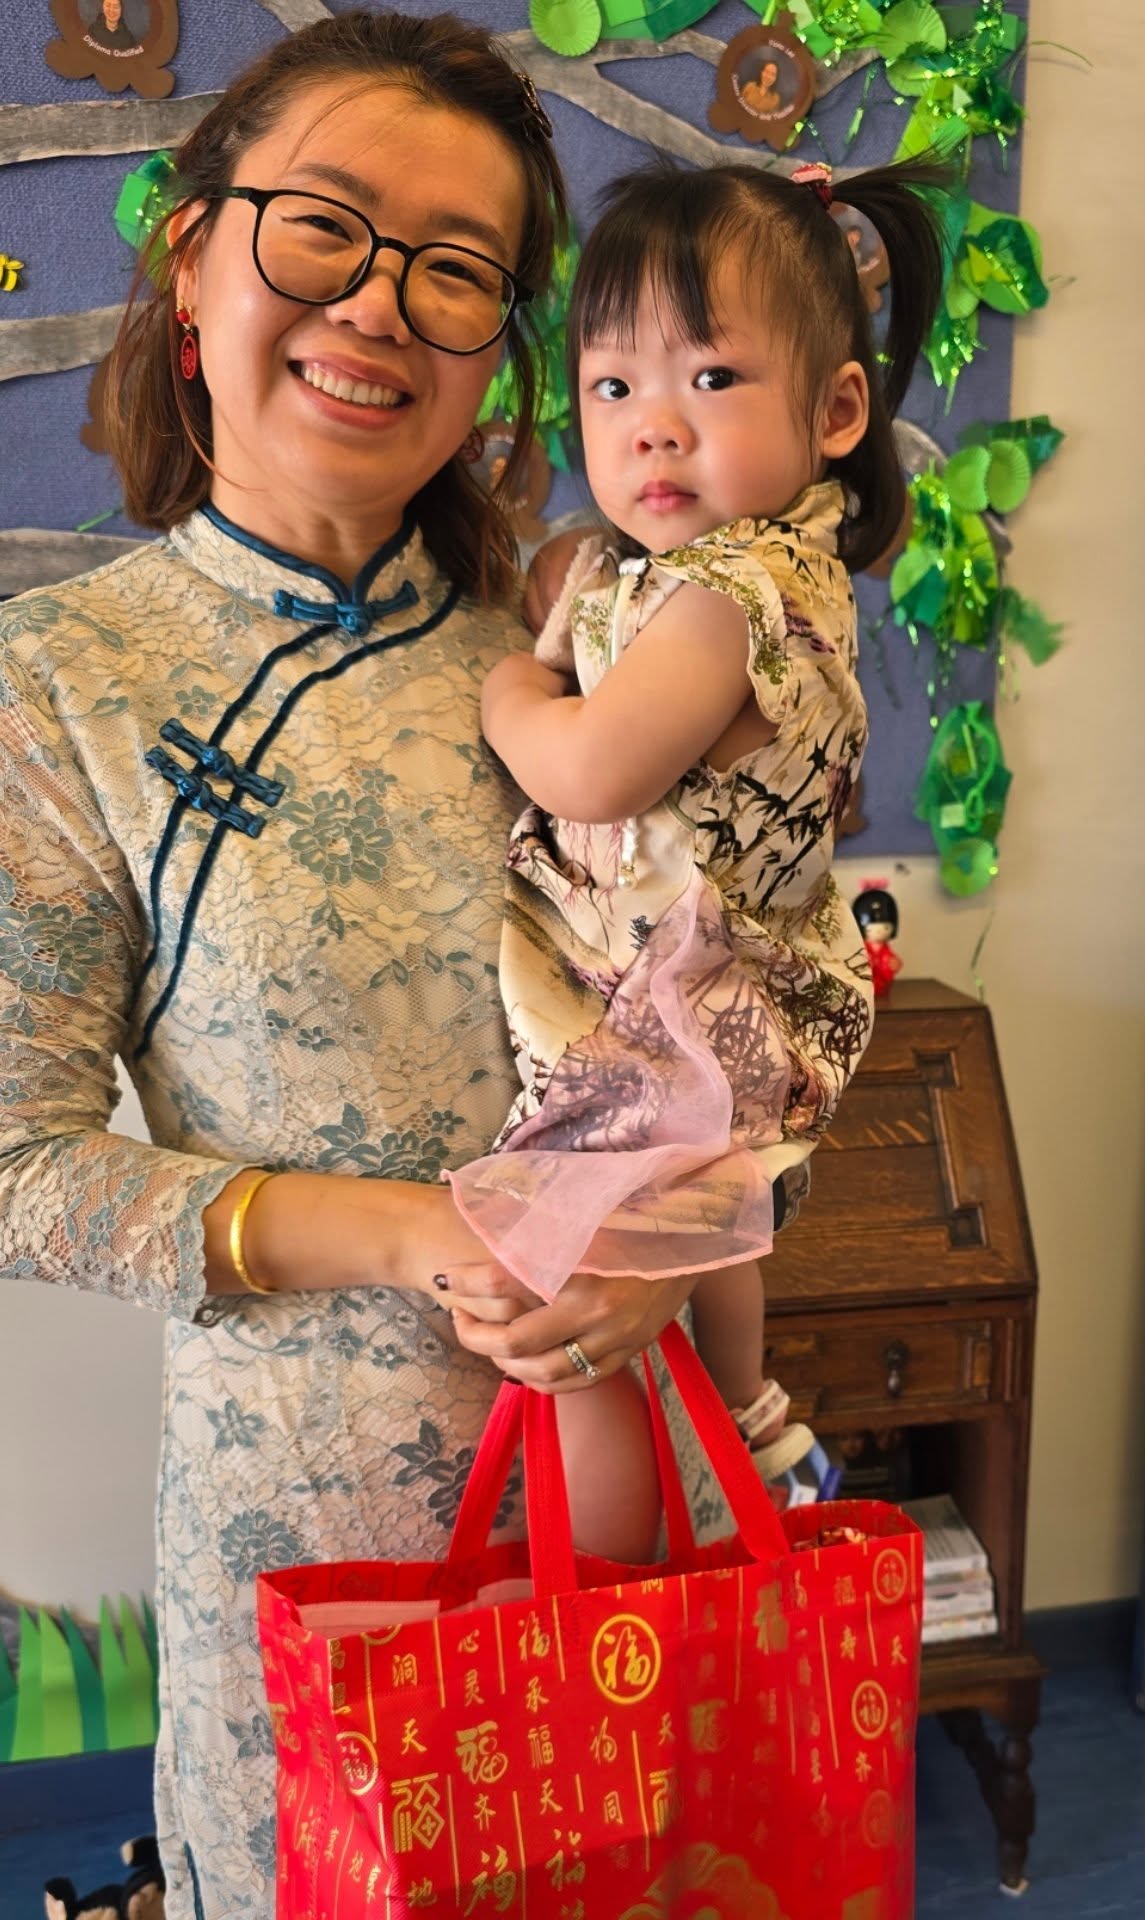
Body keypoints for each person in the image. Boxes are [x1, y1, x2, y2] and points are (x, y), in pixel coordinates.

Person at [0, 12, 708, 1914]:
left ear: (499, 350)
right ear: (193, 254)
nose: (380, 306)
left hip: (630, 1497)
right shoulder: (66, 686)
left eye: (457, 270)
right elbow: (14, 1169)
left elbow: (739, 1014)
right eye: (323, 228)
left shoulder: (594, 660)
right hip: (313, 1534)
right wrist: (419, 1234)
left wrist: (668, 1241)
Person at [448, 154, 952, 1486]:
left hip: (679, 1003)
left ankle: (621, 1571)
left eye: (711, 377)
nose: (653, 427)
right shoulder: (724, 572)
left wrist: (510, 691)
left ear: (837, 409)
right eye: (614, 387)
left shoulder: (729, 599)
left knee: (579, 1312)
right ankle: (754, 1418)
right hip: (720, 998)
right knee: (705, 1215)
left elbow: (591, 771)